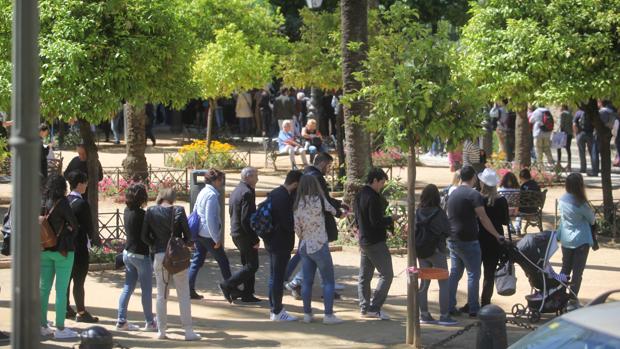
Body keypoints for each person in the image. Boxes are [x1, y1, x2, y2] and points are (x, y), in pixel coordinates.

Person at [142, 188, 200, 341]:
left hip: (160, 255)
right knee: (183, 294)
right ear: (173, 198)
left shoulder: (151, 211)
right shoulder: (179, 210)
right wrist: (182, 243)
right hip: (177, 256)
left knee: (161, 295)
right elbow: (188, 235)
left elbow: (144, 236)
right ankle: (188, 331)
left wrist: (155, 245)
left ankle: (161, 330)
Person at [446, 166, 504, 317]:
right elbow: (484, 219)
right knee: (473, 274)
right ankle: (473, 307)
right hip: (468, 239)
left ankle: (449, 305)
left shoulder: (453, 192)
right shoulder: (473, 195)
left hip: (452, 238)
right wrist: (497, 235)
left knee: (455, 273)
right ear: (473, 178)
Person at [285, 153, 345, 298]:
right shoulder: (316, 178)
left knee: (308, 257)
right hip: (316, 230)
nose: (329, 169)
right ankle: (297, 283)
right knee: (316, 257)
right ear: (323, 163)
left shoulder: (307, 175)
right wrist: (338, 211)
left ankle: (294, 282)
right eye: (329, 166)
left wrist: (338, 205)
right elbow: (325, 202)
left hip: (307, 230)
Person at [294, 175, 343, 325]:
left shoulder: (297, 204)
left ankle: (307, 314)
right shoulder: (320, 200)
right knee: (328, 281)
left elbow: (297, 229)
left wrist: (304, 236)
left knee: (307, 282)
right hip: (320, 244)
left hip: (304, 245)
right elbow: (335, 212)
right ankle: (328, 315)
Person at [39, 175, 80, 339]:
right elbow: (74, 225)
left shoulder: (42, 202)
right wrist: (67, 233)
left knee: (44, 289)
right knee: (61, 290)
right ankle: (60, 328)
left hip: (44, 248)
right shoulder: (62, 202)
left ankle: (42, 324)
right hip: (63, 251)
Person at [188, 169, 234, 300]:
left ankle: (189, 288)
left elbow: (196, 210)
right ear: (214, 181)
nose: (221, 182)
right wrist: (216, 238)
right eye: (220, 180)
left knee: (197, 260)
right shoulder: (212, 196)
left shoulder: (203, 191)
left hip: (199, 233)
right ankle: (230, 287)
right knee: (223, 261)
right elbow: (210, 219)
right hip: (208, 235)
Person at [355, 168, 395, 320]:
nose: (383, 185)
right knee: (387, 274)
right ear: (375, 181)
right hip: (375, 241)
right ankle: (374, 307)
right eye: (382, 182)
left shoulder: (360, 195)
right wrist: (391, 219)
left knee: (365, 276)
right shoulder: (372, 197)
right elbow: (376, 221)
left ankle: (365, 307)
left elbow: (358, 219)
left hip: (364, 239)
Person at [116, 183, 157, 331]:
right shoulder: (143, 215)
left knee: (128, 287)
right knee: (146, 290)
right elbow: (147, 236)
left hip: (128, 253)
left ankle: (121, 320)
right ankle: (149, 321)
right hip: (141, 255)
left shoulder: (127, 211)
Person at [416, 184, 457, 326]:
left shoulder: (418, 211)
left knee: (424, 283)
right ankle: (444, 315)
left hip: (421, 251)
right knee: (443, 283)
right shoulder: (439, 213)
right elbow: (447, 230)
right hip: (437, 250)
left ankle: (424, 314)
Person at [265, 170, 303, 321]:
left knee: (274, 276)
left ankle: (274, 308)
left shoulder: (275, 193)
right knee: (278, 277)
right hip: (280, 242)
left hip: (272, 241)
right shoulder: (284, 198)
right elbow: (287, 224)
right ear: (295, 183)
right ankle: (277, 310)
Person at [65, 171, 101, 323]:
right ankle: (81, 311)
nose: (86, 185)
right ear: (79, 184)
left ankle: (66, 308)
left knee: (66, 280)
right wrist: (94, 239)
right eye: (85, 182)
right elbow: (88, 227)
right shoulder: (82, 203)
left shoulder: (65, 200)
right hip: (79, 246)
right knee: (79, 281)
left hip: (64, 246)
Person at [222, 167, 261, 303]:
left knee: (247, 264)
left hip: (237, 233)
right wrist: (255, 238)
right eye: (255, 176)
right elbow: (246, 219)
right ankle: (228, 285)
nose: (257, 179)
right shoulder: (247, 193)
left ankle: (248, 294)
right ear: (248, 177)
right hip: (244, 234)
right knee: (252, 266)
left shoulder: (237, 190)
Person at [557, 173, 595, 309]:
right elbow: (592, 219)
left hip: (566, 239)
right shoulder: (581, 203)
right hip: (581, 240)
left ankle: (560, 294)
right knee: (577, 273)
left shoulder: (562, 199)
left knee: (565, 269)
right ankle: (573, 299)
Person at [476, 169, 509, 307]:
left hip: (478, 238)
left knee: (474, 274)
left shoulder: (478, 199)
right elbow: (505, 221)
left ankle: (472, 302)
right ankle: (485, 302)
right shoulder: (501, 200)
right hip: (495, 239)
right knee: (489, 274)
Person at [591, 99, 617, 177]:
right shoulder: (612, 112)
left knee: (595, 152)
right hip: (608, 133)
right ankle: (606, 171)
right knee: (605, 153)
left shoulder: (601, 112)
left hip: (598, 133)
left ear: (602, 103)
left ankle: (595, 171)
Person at [514, 168, 541, 234]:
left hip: (523, 210)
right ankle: (525, 228)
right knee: (525, 208)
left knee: (518, 213)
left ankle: (517, 228)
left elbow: (519, 200)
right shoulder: (536, 184)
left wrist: (516, 211)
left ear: (522, 177)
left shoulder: (523, 186)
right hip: (534, 209)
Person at [573, 107, 594, 174]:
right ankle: (594, 168)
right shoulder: (591, 112)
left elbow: (574, 124)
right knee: (592, 152)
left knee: (582, 152)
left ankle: (583, 168)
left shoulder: (578, 113)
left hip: (580, 134)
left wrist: (576, 133)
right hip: (590, 134)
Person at [556, 105, 573, 170]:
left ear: (563, 108)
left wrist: (560, 133)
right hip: (569, 133)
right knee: (568, 149)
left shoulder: (563, 114)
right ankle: (569, 165)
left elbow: (562, 124)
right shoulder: (570, 114)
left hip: (563, 133)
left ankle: (558, 163)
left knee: (558, 148)